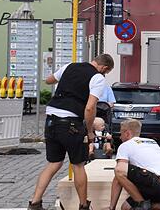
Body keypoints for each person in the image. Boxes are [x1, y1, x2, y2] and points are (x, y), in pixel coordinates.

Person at [28, 54, 115, 210]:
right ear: (104, 68)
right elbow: (90, 108)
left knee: (54, 163)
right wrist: (89, 132)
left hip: (51, 120)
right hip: (71, 124)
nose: (104, 75)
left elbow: (49, 80)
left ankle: (35, 202)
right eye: (105, 72)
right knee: (78, 165)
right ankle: (83, 205)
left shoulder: (70, 66)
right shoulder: (97, 78)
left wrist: (66, 82)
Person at [109, 119, 160, 210]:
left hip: (159, 183)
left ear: (127, 133)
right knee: (126, 207)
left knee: (119, 170)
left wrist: (111, 207)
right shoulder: (151, 142)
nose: (120, 137)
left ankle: (141, 204)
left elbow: (119, 173)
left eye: (121, 134)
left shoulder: (125, 145)